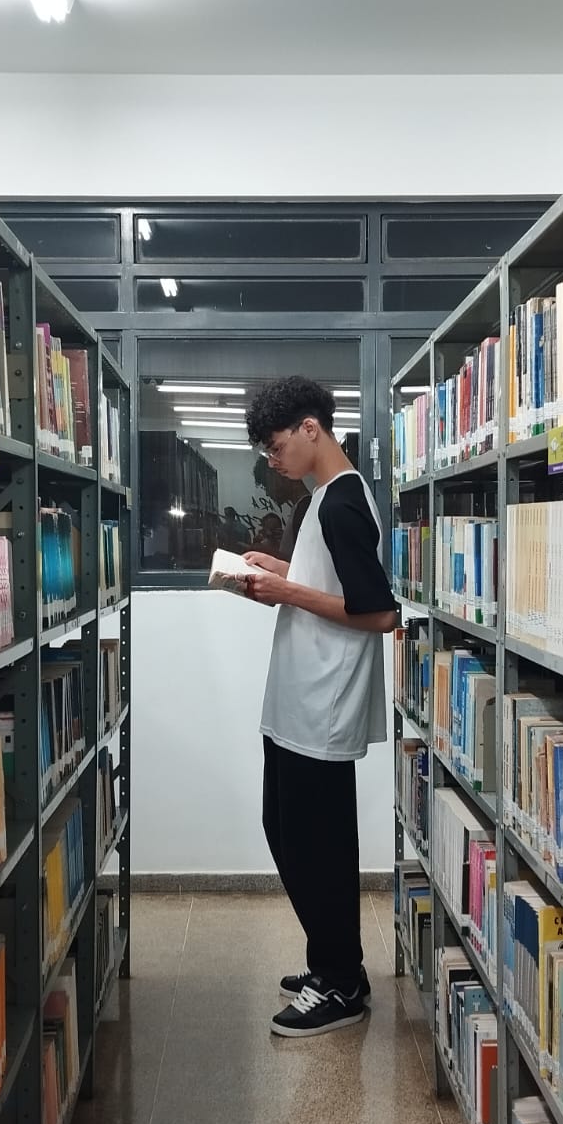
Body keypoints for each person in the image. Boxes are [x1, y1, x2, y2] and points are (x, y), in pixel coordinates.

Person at [241, 375, 399, 1038]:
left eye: (276, 448)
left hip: (322, 704)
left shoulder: (340, 504)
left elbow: (380, 613)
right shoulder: (326, 498)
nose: (272, 463)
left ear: (312, 429)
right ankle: (334, 964)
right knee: (289, 831)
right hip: (301, 699)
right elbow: (334, 585)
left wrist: (288, 594)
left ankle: (340, 984)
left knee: (316, 847)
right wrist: (278, 573)